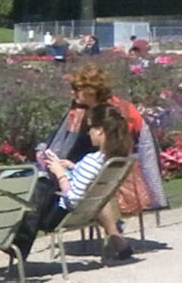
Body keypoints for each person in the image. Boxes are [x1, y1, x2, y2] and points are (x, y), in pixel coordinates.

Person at [33, 103, 137, 263]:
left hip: (58, 215)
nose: (88, 133)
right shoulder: (111, 159)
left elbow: (73, 200)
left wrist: (60, 173)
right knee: (97, 195)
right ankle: (118, 241)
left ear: (100, 130)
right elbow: (88, 182)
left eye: (90, 128)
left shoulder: (91, 161)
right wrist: (74, 167)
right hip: (90, 208)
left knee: (36, 185)